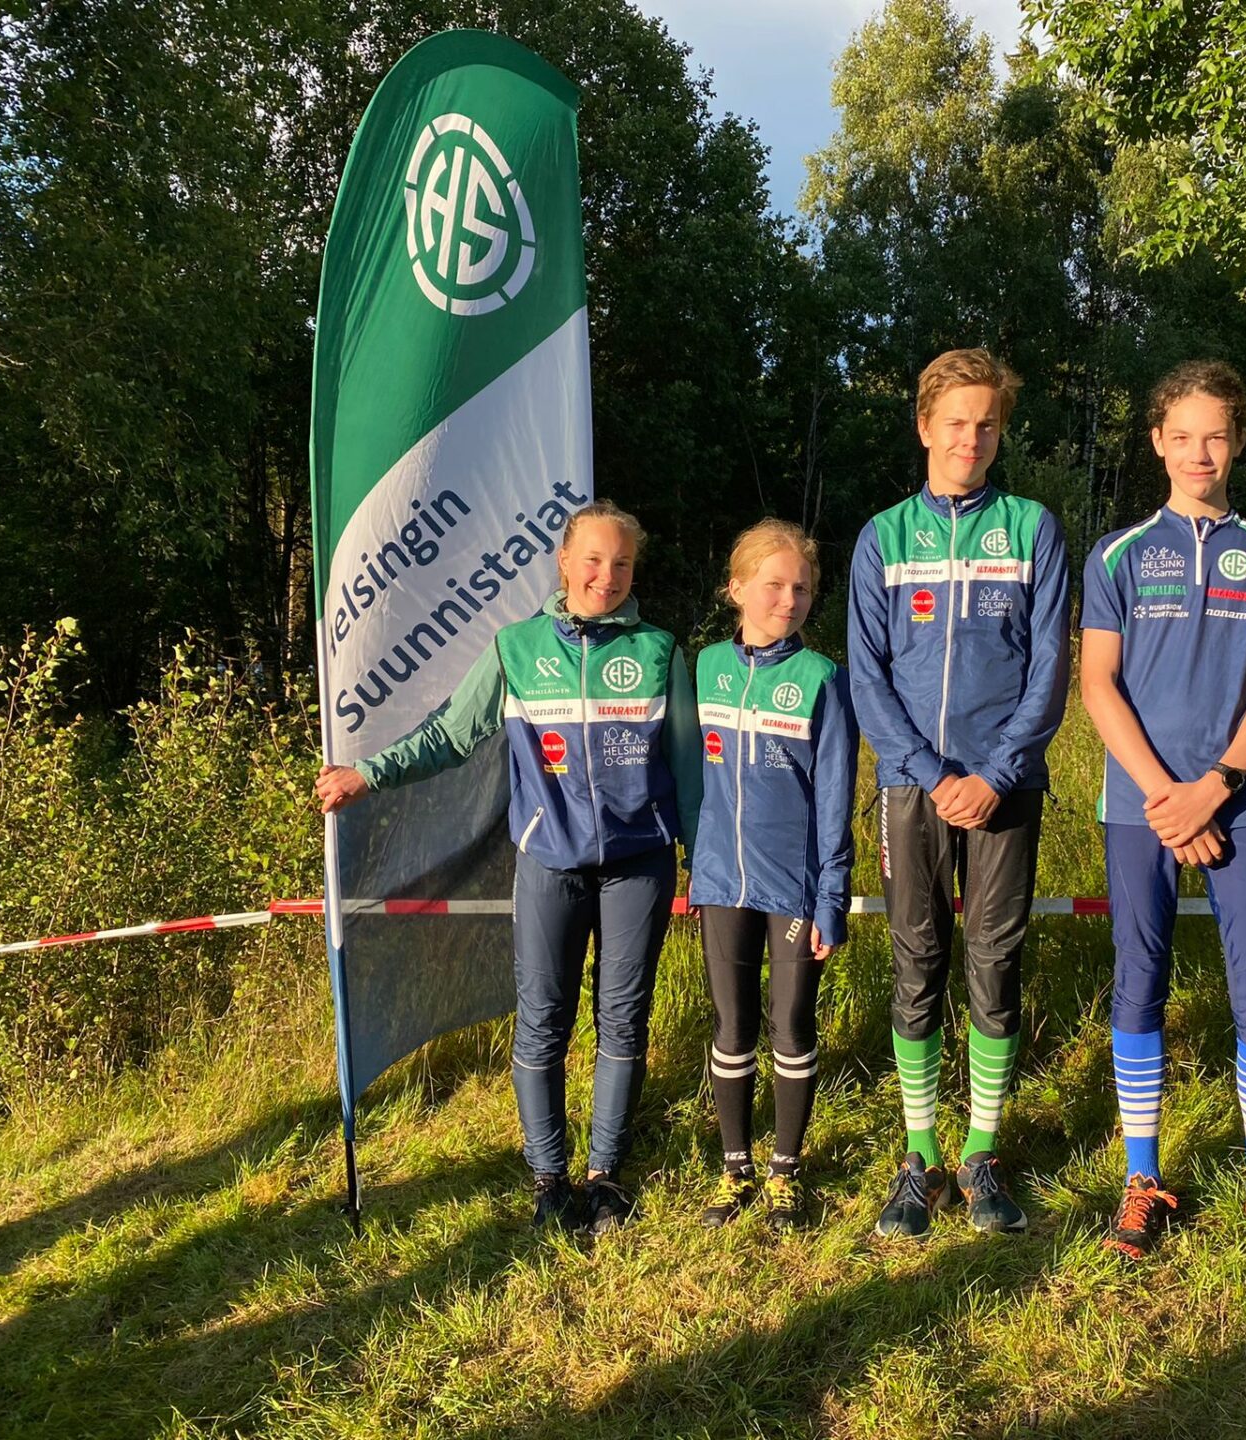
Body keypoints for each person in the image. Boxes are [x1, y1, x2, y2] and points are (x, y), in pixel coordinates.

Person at [314, 500, 702, 1237]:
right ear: (564, 562)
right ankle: (549, 1178)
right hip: (549, 862)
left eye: (622, 563)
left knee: (623, 1018)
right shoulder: (515, 650)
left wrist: (702, 865)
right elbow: (449, 736)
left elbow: (689, 774)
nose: (607, 575)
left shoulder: (660, 651)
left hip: (640, 865)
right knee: (544, 1019)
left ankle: (606, 1176)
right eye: (594, 559)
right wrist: (368, 774)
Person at [1078, 360, 1246, 1270]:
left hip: (1243, 807)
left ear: (1239, 443)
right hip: (1138, 809)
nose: (1199, 453)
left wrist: (1213, 788)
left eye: (1216, 437)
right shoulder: (1115, 554)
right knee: (1139, 982)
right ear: (1157, 441)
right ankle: (1142, 1178)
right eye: (1182, 436)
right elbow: (1097, 686)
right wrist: (1169, 798)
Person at [847, 347, 1071, 1239]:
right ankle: (920, 1156)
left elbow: (1050, 668)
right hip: (914, 788)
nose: (970, 439)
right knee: (916, 960)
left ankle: (980, 1153)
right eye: (955, 423)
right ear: (924, 427)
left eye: (986, 425)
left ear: (1000, 433)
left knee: (994, 961)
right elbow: (867, 675)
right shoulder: (883, 536)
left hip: (1005, 786)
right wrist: (933, 773)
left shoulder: (1032, 528)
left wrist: (995, 774)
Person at [686, 520, 857, 1231]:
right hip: (721, 881)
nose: (789, 600)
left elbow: (835, 796)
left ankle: (786, 1171)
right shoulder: (704, 668)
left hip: (795, 887)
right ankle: (736, 1169)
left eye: (802, 589)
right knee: (732, 1025)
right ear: (736, 589)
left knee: (790, 1023)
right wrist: (692, 866)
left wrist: (831, 896)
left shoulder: (822, 678)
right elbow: (689, 776)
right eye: (774, 585)